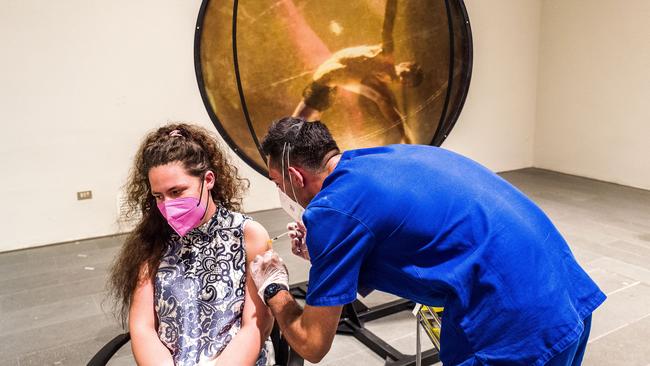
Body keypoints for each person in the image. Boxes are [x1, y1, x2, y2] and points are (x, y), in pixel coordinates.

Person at [250, 116, 606, 365]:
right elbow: (407, 234)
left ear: (295, 175)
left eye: (279, 183)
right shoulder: (387, 158)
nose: (282, 191)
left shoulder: (331, 212)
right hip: (567, 297)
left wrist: (274, 287)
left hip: (513, 328)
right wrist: (324, 256)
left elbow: (312, 344)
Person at [108, 123, 273, 366]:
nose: (167, 204)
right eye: (159, 196)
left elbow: (256, 324)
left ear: (208, 180)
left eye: (177, 191)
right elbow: (143, 327)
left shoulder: (247, 235)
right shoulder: (153, 240)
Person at [292, 44, 423, 144]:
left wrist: (405, 134)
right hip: (323, 85)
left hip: (326, 88)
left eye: (405, 82)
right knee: (297, 130)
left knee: (300, 131)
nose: (401, 80)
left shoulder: (376, 80)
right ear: (404, 64)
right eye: (405, 74)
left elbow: (383, 101)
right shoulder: (380, 56)